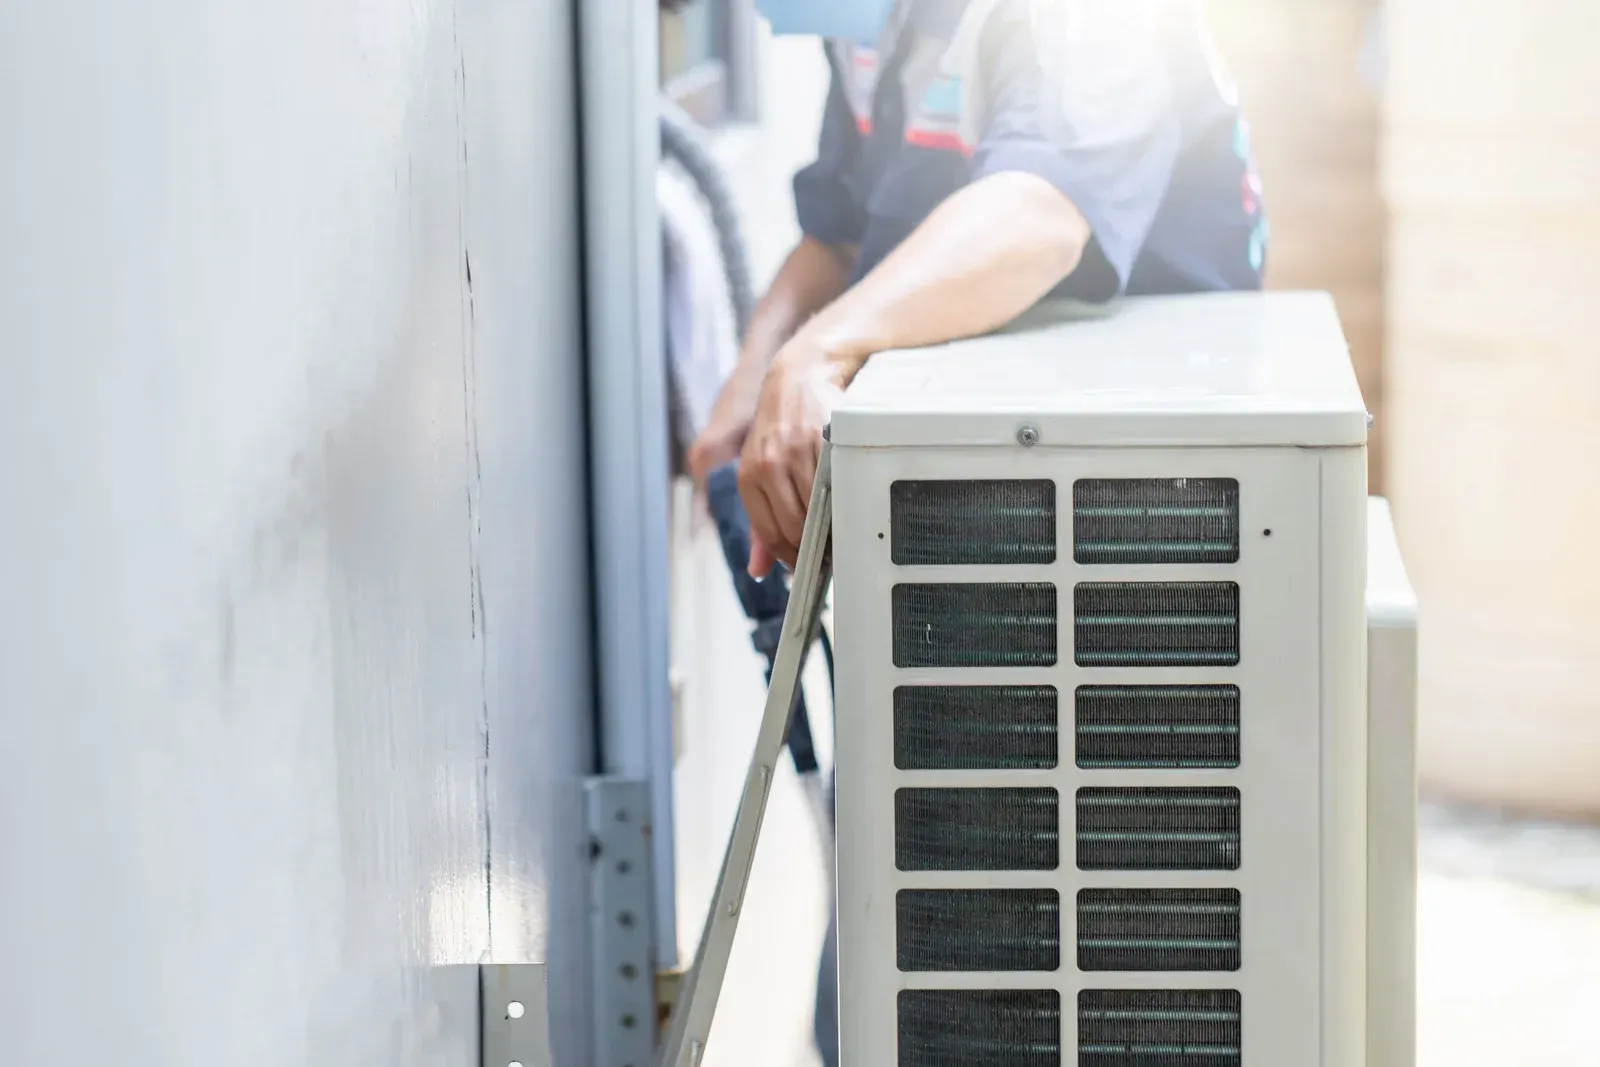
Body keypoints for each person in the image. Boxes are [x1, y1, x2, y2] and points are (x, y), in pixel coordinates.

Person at [685, 2, 1268, 1064]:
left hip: (1126, 554)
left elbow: (1041, 212)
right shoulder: (873, 21)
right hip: (952, 546)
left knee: (1089, 951)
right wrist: (752, 372)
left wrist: (818, 354)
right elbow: (842, 230)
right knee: (900, 943)